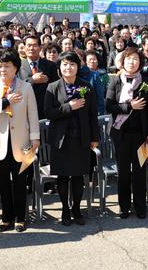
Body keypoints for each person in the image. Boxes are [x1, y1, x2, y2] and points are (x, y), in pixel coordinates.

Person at [0, 48, 40, 232]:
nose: (2, 70)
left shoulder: (26, 87)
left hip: (22, 141)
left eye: (7, 66)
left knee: (21, 181)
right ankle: (6, 217)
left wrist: (35, 138)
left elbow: (33, 114)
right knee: (4, 183)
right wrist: (5, 102)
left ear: (15, 68)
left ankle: (20, 218)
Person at [44, 51, 100, 226]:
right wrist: (69, 107)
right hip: (61, 140)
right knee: (62, 177)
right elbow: (48, 113)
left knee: (78, 176)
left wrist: (94, 137)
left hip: (81, 138)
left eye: (72, 64)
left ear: (78, 67)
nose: (68, 67)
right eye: (65, 64)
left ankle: (76, 208)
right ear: (60, 67)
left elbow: (92, 115)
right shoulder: (52, 87)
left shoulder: (86, 87)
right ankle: (65, 210)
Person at [105, 47, 148, 219]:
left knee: (140, 171)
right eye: (128, 59)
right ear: (122, 62)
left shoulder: (146, 81)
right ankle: (124, 207)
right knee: (123, 172)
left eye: (135, 59)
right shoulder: (115, 81)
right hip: (120, 134)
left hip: (141, 135)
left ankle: (140, 206)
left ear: (140, 62)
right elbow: (109, 105)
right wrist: (129, 106)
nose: (132, 62)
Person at [18, 36, 58, 119]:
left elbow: (56, 88)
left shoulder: (51, 65)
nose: (31, 48)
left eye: (35, 45)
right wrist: (32, 80)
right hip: (24, 109)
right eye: (28, 45)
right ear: (24, 48)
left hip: (45, 109)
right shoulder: (17, 66)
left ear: (40, 48)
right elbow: (15, 86)